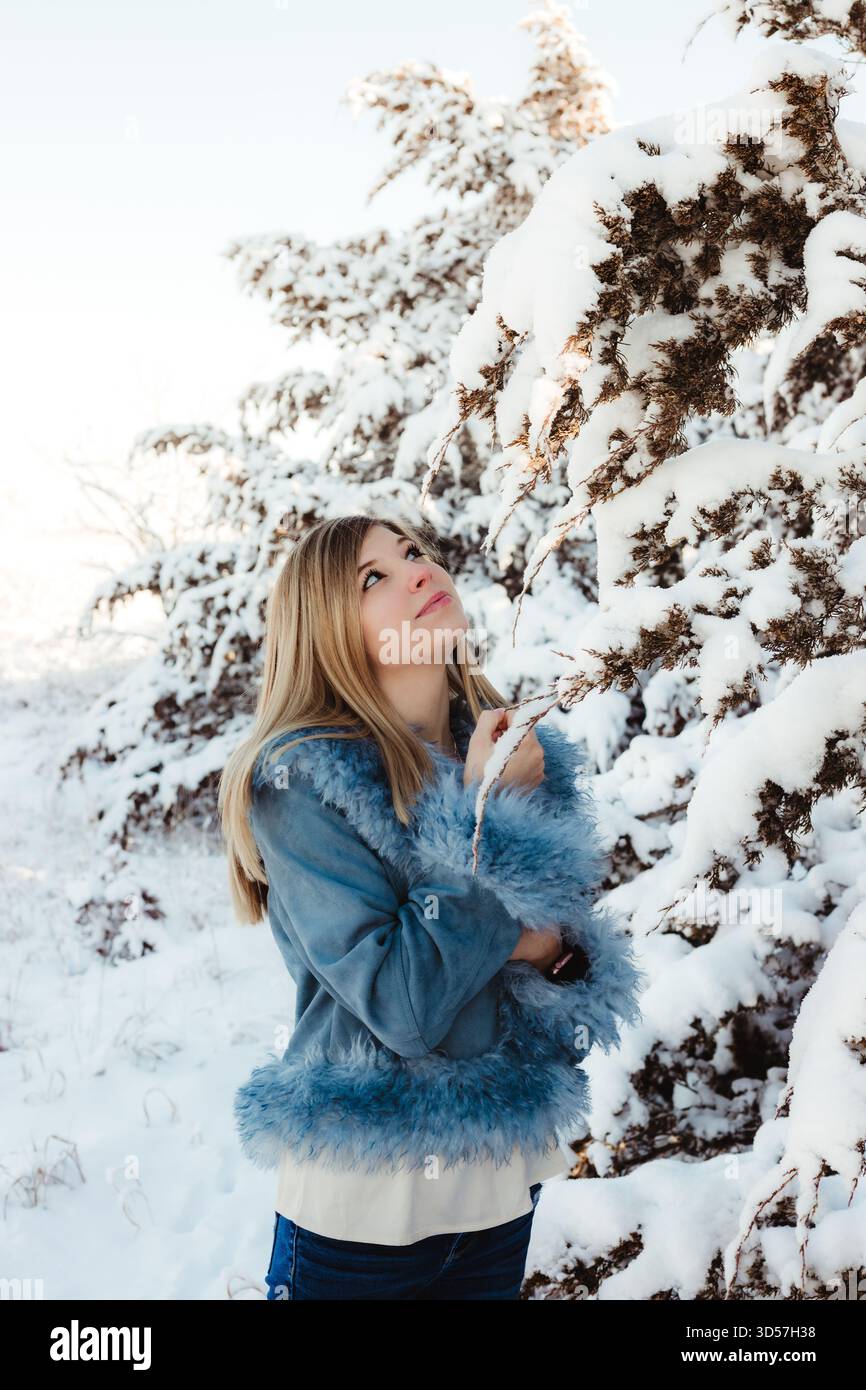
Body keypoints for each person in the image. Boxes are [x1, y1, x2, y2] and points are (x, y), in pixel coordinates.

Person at [219, 514, 645, 1300]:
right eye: (371, 578)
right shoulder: (302, 780)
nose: (416, 571)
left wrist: (544, 952)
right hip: (366, 1203)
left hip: (499, 1176)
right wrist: (487, 827)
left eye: (411, 552)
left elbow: (563, 952)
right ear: (325, 633)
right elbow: (403, 1007)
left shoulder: (504, 748)